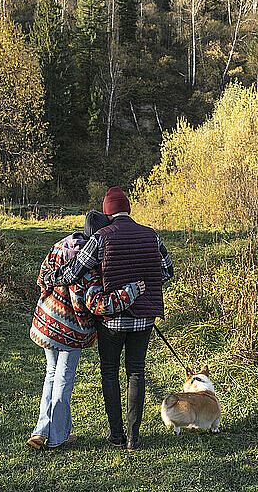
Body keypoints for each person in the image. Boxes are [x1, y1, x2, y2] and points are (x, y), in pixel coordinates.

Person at [44, 187, 174, 451]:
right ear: (128, 209)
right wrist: (143, 288)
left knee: (110, 372)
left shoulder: (101, 237)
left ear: (107, 212)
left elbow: (75, 272)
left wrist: (50, 278)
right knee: (136, 371)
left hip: (111, 320)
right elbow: (167, 272)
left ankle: (116, 435)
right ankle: (133, 438)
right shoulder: (152, 235)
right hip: (144, 320)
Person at [27, 210, 145, 451]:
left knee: (51, 375)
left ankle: (41, 431)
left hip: (46, 323)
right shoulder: (89, 267)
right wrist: (132, 291)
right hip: (70, 331)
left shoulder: (60, 246)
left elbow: (42, 278)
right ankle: (58, 437)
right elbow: (99, 305)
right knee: (63, 380)